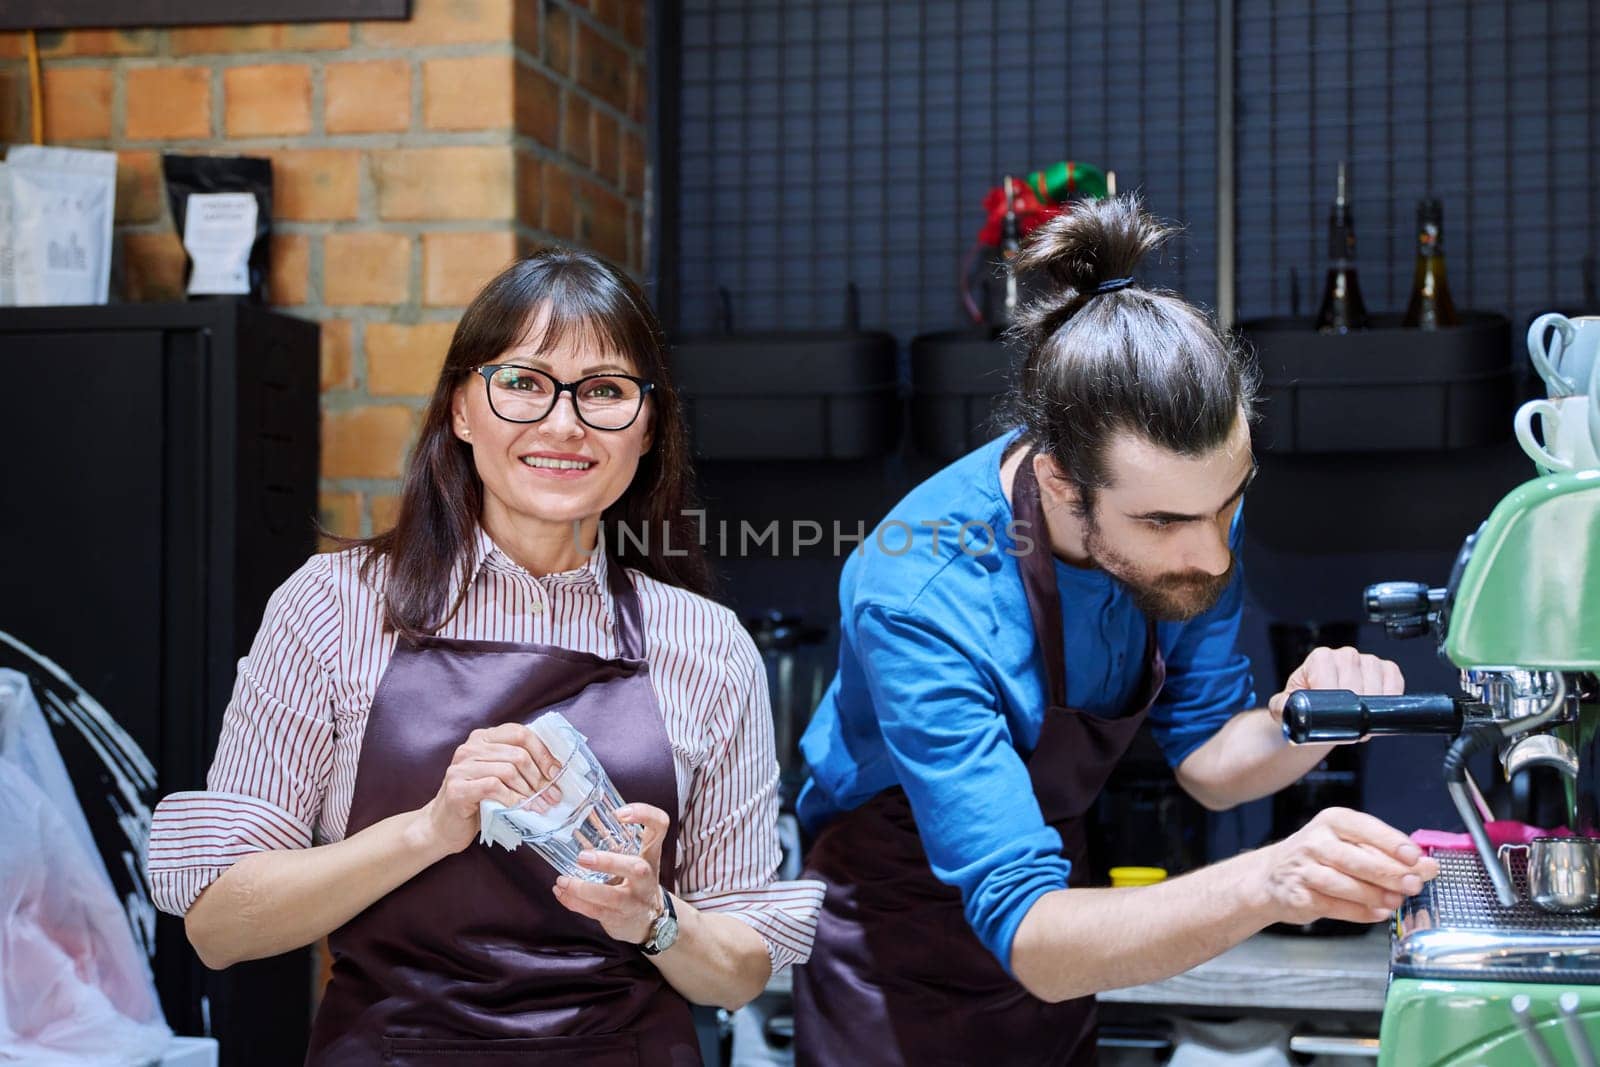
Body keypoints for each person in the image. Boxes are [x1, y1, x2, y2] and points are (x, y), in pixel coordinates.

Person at [791, 196, 1438, 1066]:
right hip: (899, 960)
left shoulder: (1190, 504)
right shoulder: (919, 593)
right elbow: (1029, 932)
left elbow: (1209, 760)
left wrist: (1308, 716)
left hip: (1066, 937)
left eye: (1230, 502)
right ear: (1062, 484)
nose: (1209, 554)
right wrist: (1275, 877)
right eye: (1166, 523)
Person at [147, 250, 822, 1065]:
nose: (564, 424)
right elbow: (220, 925)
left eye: (604, 391)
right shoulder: (335, 606)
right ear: (463, 408)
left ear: (647, 428)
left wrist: (654, 915)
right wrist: (431, 828)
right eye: (524, 382)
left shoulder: (707, 646)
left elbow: (739, 973)